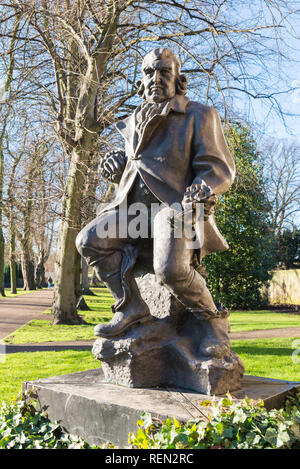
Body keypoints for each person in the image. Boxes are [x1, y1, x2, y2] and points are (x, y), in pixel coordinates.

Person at [76, 48, 235, 355]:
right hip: (132, 210)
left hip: (174, 209)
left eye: (164, 72)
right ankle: (131, 307)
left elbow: (218, 169)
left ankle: (214, 324)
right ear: (141, 81)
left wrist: (202, 190)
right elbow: (141, 167)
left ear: (179, 80)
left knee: (170, 270)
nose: (156, 79)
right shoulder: (131, 121)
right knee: (89, 240)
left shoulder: (199, 115)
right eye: (149, 72)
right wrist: (118, 167)